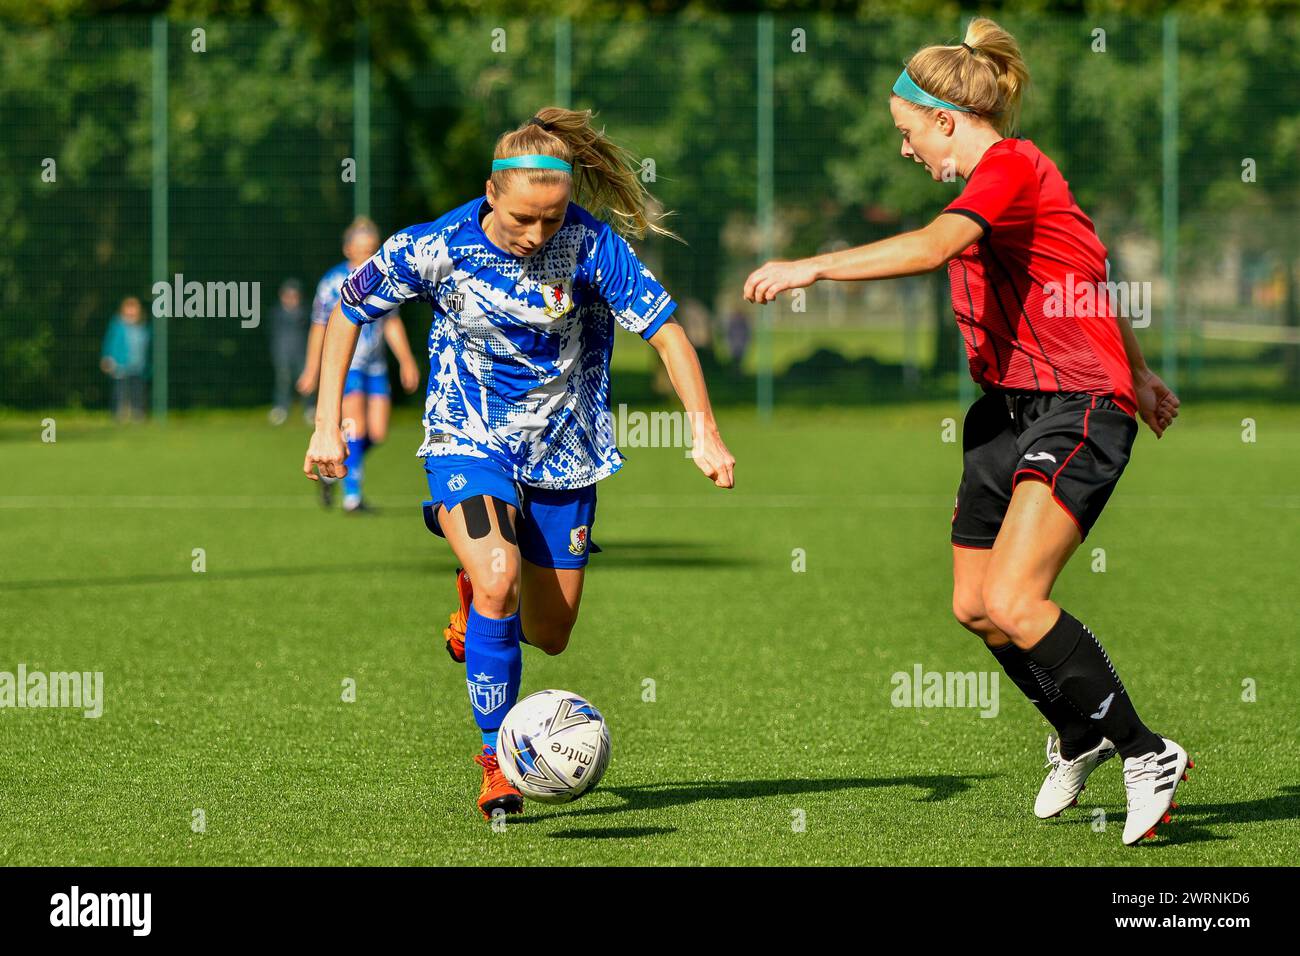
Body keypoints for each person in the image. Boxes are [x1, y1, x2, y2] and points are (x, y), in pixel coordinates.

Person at [743, 18, 1189, 846]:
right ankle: (1080, 732)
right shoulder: (1004, 186)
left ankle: (1146, 750)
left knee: (1017, 600)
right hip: (1005, 410)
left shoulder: (1011, 167)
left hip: (1077, 403)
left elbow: (931, 247)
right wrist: (1147, 364)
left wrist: (813, 265)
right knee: (976, 607)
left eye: (907, 132)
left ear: (946, 119)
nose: (906, 150)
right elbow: (1085, 268)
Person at [303, 107, 735, 818]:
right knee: (499, 576)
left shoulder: (594, 246)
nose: (538, 235)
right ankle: (496, 759)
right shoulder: (435, 244)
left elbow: (667, 333)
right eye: (523, 220)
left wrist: (704, 431)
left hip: (567, 448)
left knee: (551, 634)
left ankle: (474, 612)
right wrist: (327, 427)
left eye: (553, 218)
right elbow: (350, 311)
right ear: (491, 193)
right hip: (466, 436)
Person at [298, 217, 421, 511]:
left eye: (371, 250)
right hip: (348, 366)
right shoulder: (331, 283)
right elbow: (319, 327)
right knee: (357, 427)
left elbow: (391, 323)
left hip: (374, 367)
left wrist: (406, 361)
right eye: (361, 249)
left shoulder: (383, 280)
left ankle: (334, 469)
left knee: (376, 433)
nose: (367, 255)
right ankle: (352, 497)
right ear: (347, 249)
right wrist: (312, 369)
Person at [100, 296, 149, 423]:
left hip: (138, 365)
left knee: (137, 390)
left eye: (134, 308)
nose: (131, 311)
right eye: (128, 307)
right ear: (123, 309)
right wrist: (106, 358)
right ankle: (119, 414)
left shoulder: (143, 326)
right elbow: (109, 342)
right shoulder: (117, 325)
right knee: (120, 390)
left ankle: (137, 413)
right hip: (119, 364)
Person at [268, 279, 307, 426]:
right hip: (282, 353)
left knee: (305, 381)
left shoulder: (305, 313)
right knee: (283, 381)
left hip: (302, 353)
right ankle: (281, 408)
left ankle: (310, 408)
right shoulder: (276, 313)